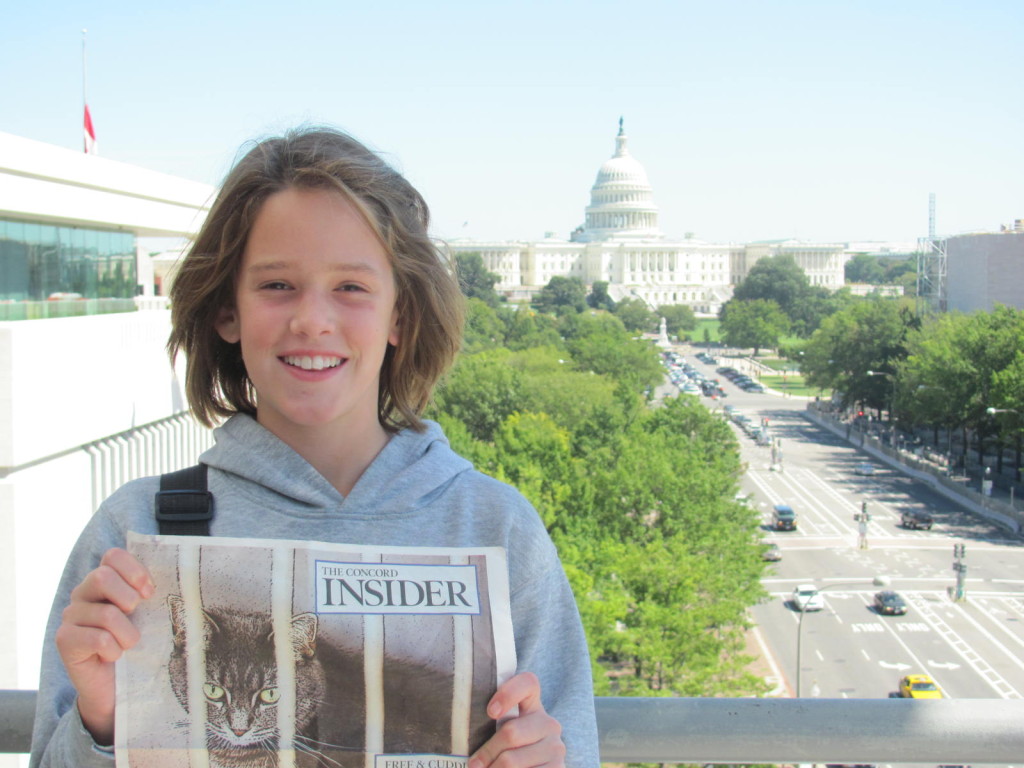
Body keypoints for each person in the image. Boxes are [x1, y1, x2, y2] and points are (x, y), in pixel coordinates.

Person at [30, 127, 598, 768]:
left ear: (400, 317)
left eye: (351, 287)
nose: (313, 320)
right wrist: (104, 724)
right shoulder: (131, 533)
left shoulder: (496, 529)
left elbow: (572, 742)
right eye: (277, 286)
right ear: (227, 311)